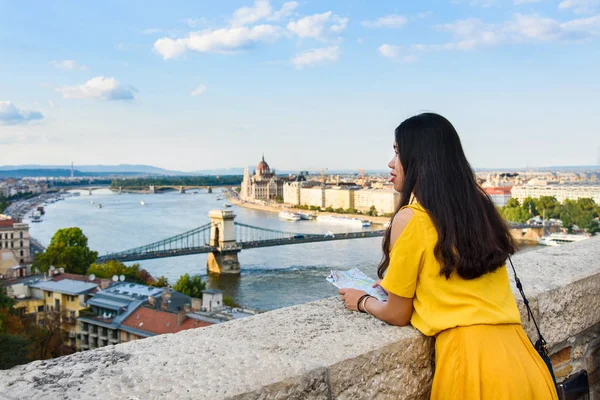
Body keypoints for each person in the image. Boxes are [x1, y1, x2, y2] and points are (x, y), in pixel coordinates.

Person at [338, 113, 558, 400]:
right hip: (523, 362)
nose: (391, 163)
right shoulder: (479, 208)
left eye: (397, 152)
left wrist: (363, 301)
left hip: (470, 367)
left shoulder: (411, 219)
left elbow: (397, 313)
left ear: (419, 159)